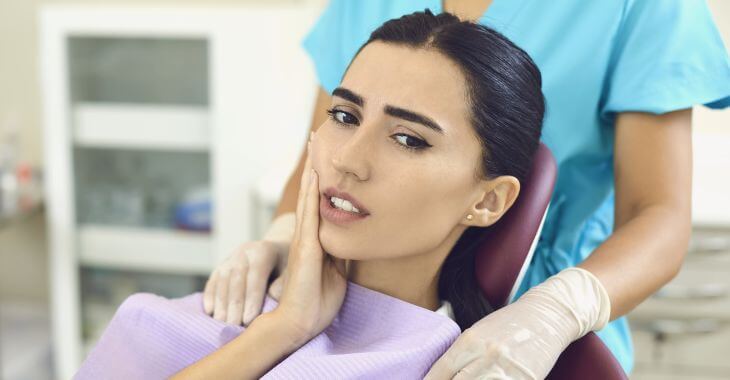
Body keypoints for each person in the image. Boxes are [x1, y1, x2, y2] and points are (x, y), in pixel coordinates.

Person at [204, 0, 730, 377]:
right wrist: (282, 239)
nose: (355, 157)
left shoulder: (644, 8)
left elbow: (657, 213)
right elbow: (324, 154)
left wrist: (554, 313)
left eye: (411, 140)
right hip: (334, 309)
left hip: (537, 339)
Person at [76, 11, 599, 379]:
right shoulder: (227, 310)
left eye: (408, 139)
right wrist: (283, 329)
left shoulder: (445, 365)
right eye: (344, 116)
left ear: (488, 201)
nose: (346, 159)